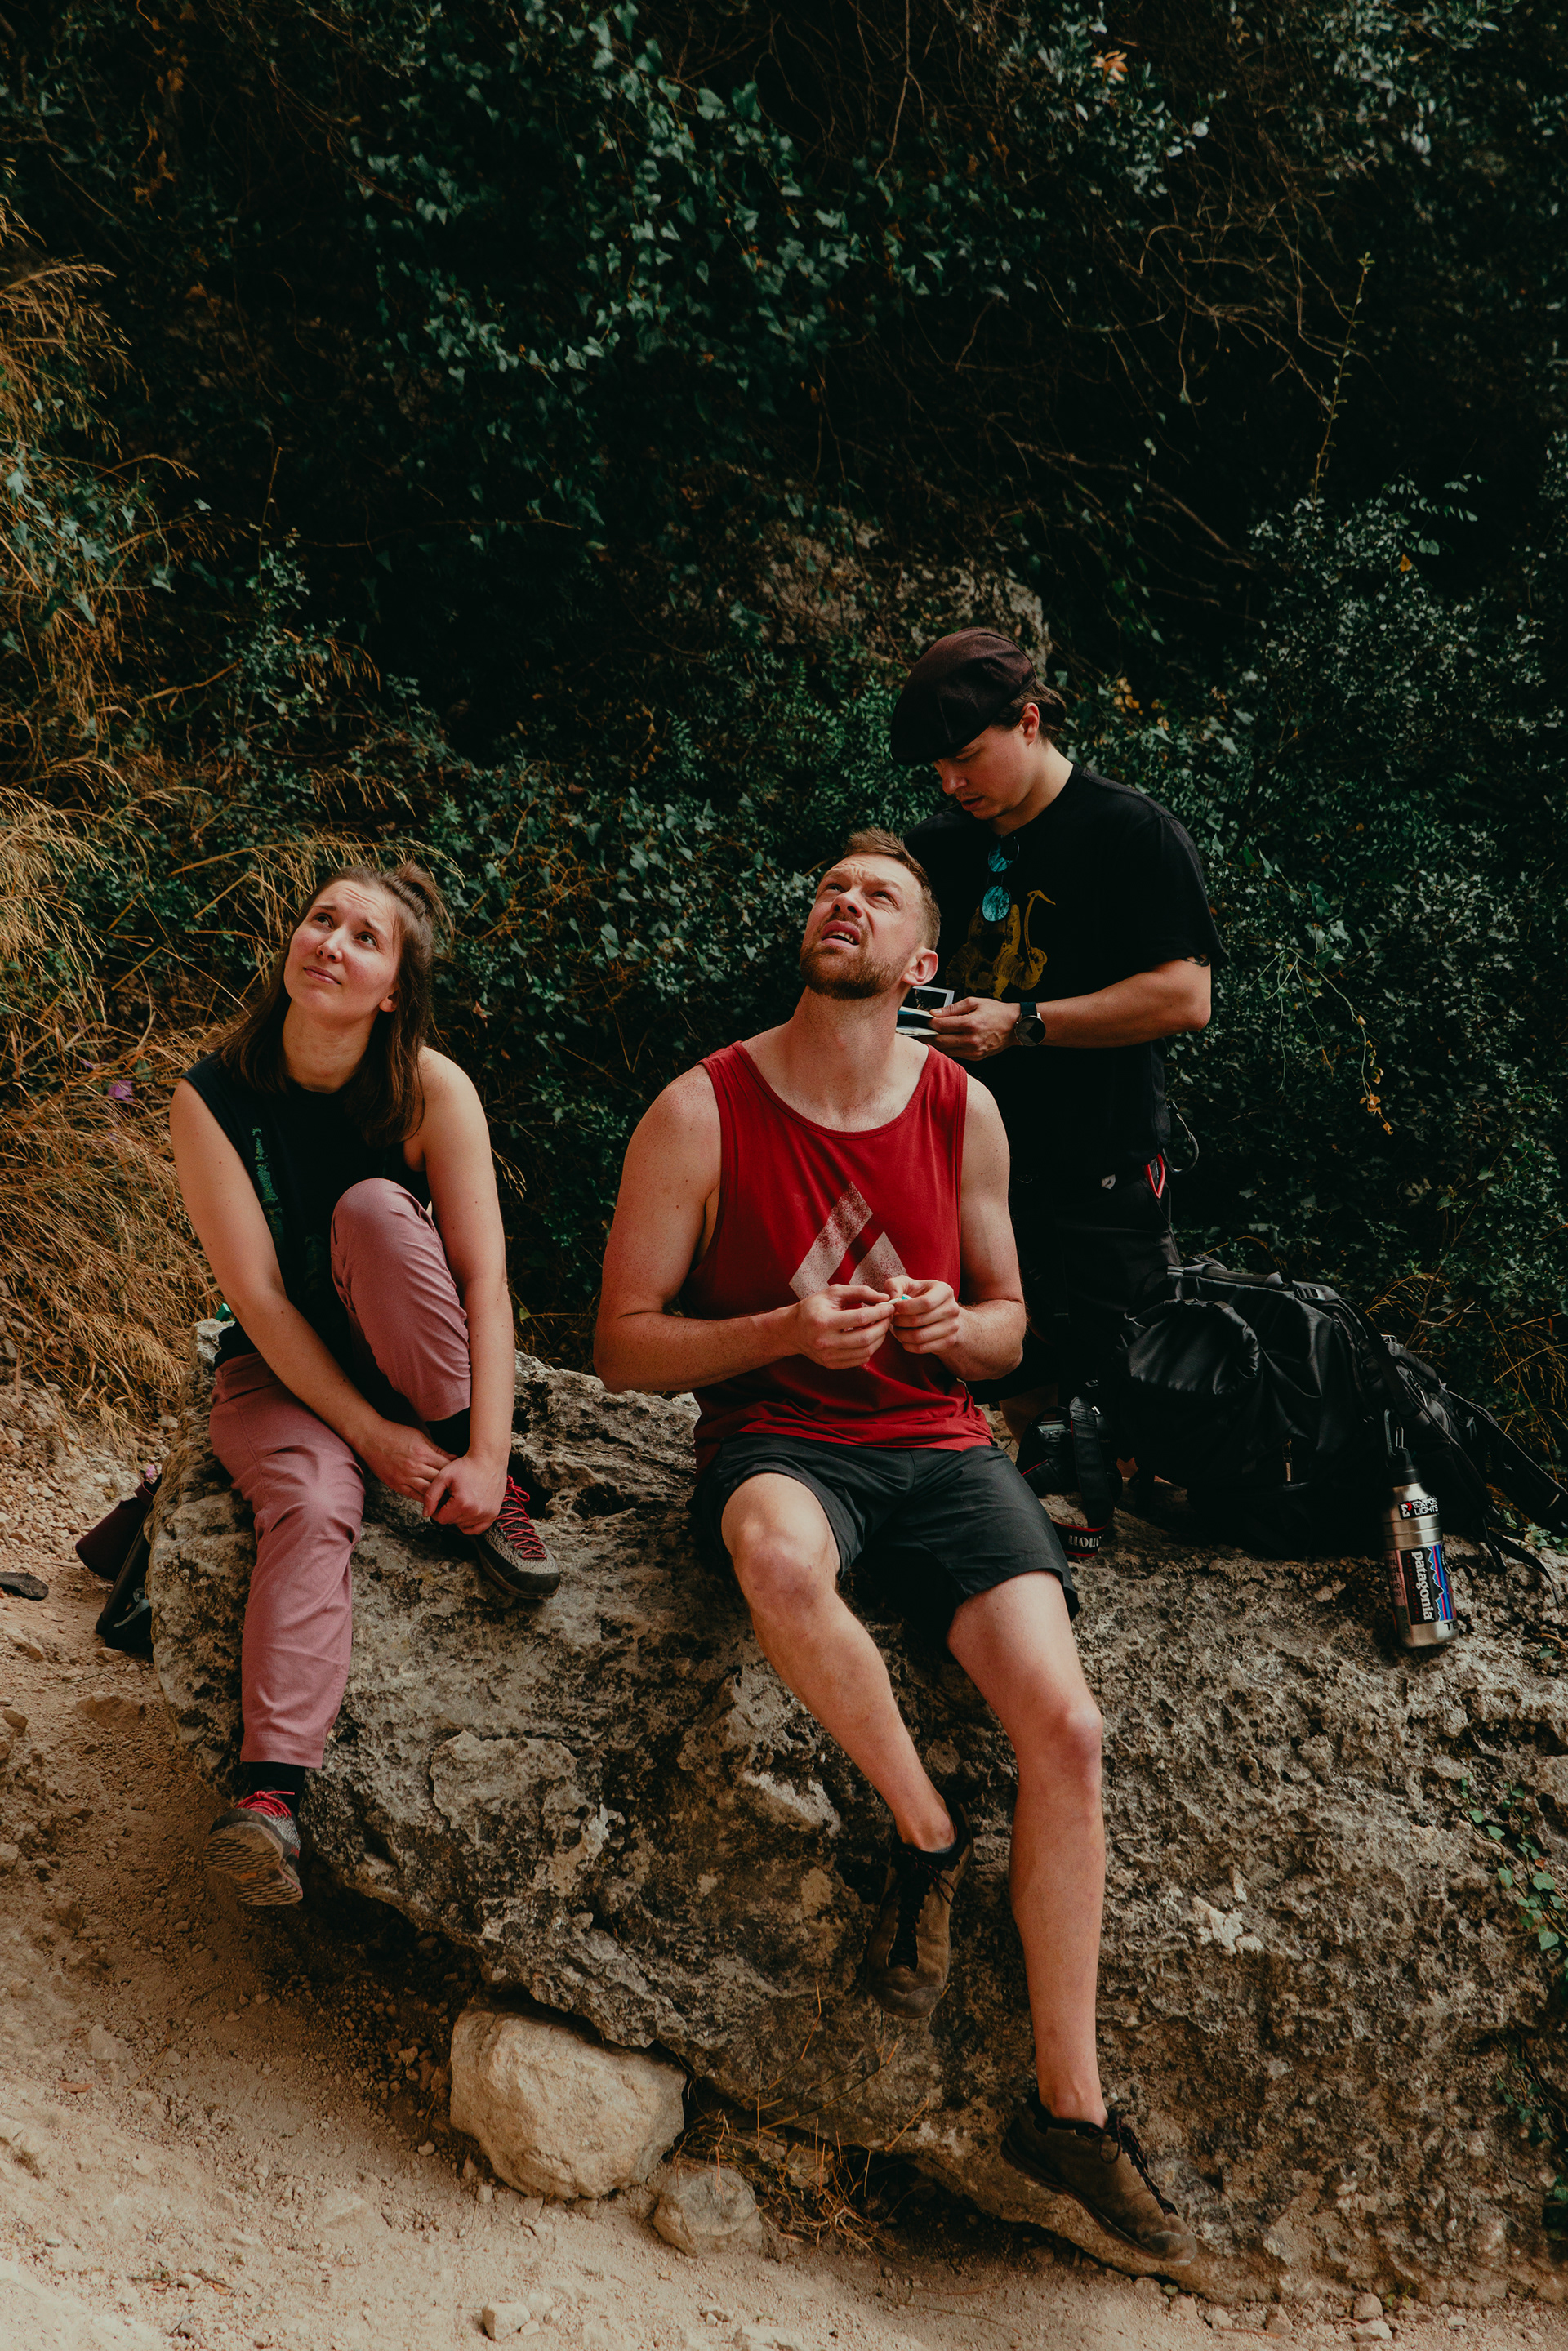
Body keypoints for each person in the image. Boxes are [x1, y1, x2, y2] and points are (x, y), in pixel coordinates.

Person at [593, 829, 1195, 2264]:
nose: (843, 904)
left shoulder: (961, 1105)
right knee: (778, 1560)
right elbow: (622, 1343)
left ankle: (1069, 2109)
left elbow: (1010, 1326)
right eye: (830, 889)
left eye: (876, 896)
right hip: (781, 1440)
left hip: (940, 1448)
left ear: (923, 959)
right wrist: (782, 1332)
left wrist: (952, 1327)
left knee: (1070, 1729)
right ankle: (926, 1834)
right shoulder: (702, 1107)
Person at [171, 862, 556, 1908]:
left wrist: (486, 1454)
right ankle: (269, 1801)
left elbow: (484, 1283)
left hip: (411, 1351)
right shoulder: (211, 1097)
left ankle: (476, 1493)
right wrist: (368, 1439)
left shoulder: (432, 1088)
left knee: (377, 1210)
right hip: (280, 1368)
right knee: (311, 1496)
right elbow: (260, 1301)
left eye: (364, 937)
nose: (330, 943)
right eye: (320, 920)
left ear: (394, 990)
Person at [896, 628, 1223, 1447]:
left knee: (1140, 1414)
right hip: (965, 1178)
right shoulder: (935, 846)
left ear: (1030, 721)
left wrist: (1023, 1022)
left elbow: (1186, 996)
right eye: (937, 768)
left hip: (1101, 1181)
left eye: (966, 756)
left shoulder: (1132, 831)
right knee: (1009, 1405)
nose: (951, 782)